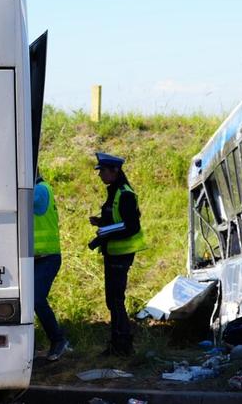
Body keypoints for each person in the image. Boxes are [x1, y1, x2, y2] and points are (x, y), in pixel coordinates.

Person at [88, 152, 147, 356]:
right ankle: (117, 344)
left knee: (116, 300)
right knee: (112, 300)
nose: (100, 175)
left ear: (114, 171)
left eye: (102, 171)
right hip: (113, 252)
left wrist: (104, 231)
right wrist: (101, 222)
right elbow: (117, 220)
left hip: (121, 254)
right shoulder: (114, 191)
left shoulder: (125, 193)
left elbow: (131, 226)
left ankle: (123, 345)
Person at [34, 173, 70, 361]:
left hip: (46, 258)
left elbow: (21, 204)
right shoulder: (39, 188)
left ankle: (58, 339)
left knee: (36, 299)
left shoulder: (39, 190)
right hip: (34, 259)